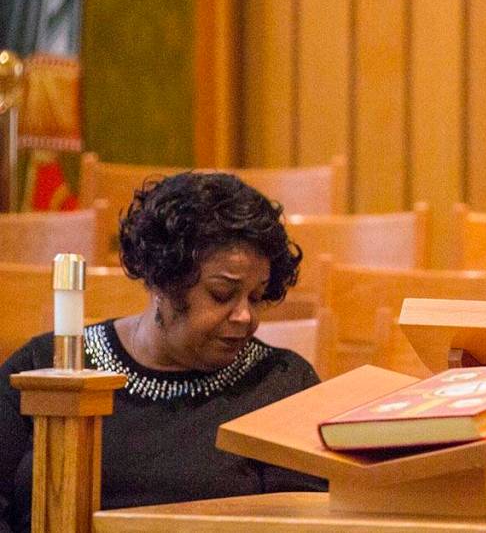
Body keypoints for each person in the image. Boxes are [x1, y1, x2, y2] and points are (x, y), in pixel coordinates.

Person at [0, 172, 325, 533]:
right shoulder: (45, 367)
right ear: (162, 279)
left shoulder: (283, 385)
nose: (245, 316)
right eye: (221, 294)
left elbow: (305, 522)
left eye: (256, 296)